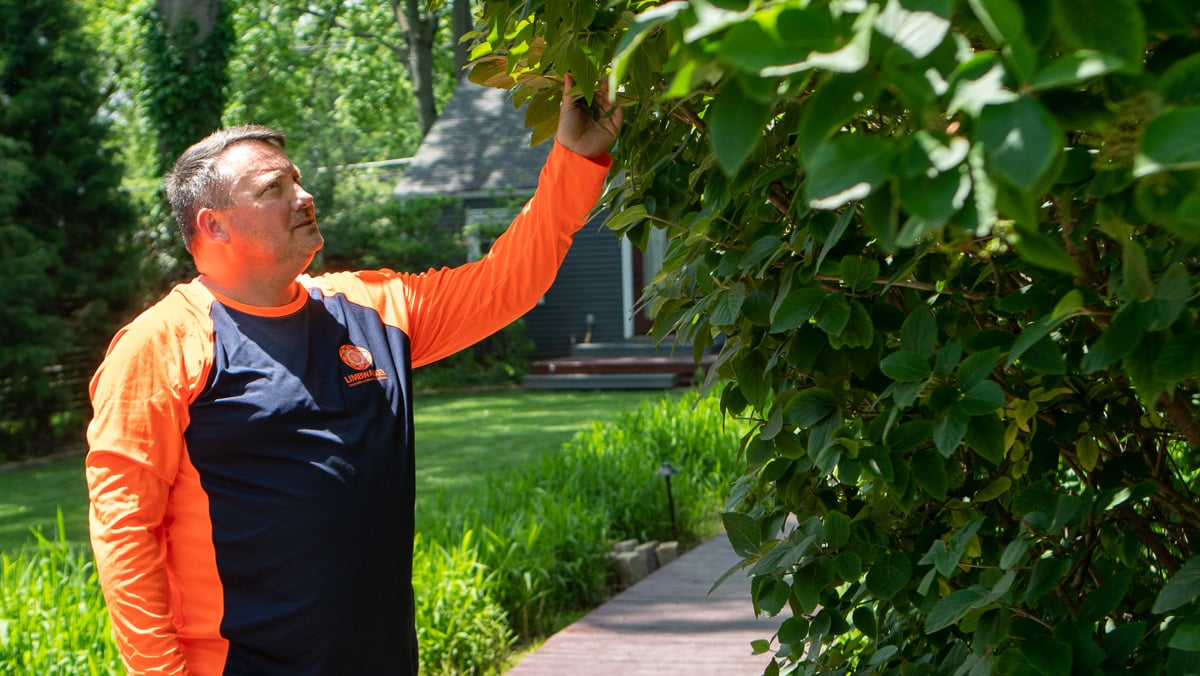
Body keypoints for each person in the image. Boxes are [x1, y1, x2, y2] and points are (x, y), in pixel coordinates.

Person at [85, 75, 623, 676]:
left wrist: (575, 158)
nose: (304, 195)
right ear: (214, 226)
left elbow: (510, 281)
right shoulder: (161, 344)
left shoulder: (371, 310)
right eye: (275, 188)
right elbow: (125, 531)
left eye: (297, 179)